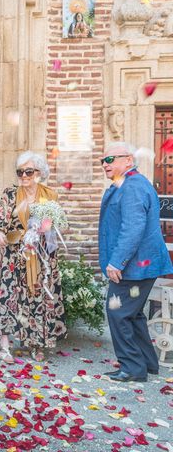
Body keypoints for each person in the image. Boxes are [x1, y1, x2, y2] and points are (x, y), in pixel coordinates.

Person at [99, 142, 172, 382]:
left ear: (128, 160)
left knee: (118, 312)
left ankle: (132, 367)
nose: (105, 164)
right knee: (133, 314)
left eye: (110, 159)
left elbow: (132, 228)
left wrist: (116, 262)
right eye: (103, 160)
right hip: (138, 266)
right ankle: (147, 363)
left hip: (134, 266)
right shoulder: (127, 183)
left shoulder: (132, 186)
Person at [0, 151, 67, 364]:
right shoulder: (10, 194)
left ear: (40, 173)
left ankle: (35, 344)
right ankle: (5, 345)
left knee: (37, 298)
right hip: (13, 256)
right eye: (20, 171)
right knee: (8, 298)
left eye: (28, 171)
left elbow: (54, 225)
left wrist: (42, 230)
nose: (23, 175)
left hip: (40, 256)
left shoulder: (50, 196)